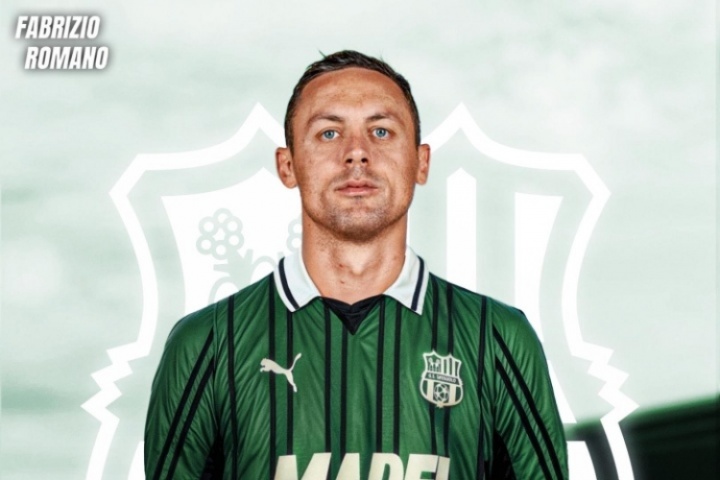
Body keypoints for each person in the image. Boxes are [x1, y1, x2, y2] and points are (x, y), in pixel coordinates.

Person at [145, 50, 568, 480]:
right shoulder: (207, 344)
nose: (357, 153)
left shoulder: (497, 339)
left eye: (381, 131)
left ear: (421, 162)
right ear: (287, 166)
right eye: (329, 133)